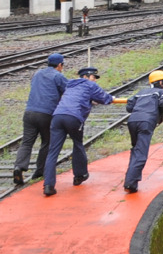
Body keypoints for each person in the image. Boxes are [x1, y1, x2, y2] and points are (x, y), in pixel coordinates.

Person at [43, 66, 114, 197]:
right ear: (86, 77)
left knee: (53, 151)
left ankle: (48, 185)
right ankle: (79, 175)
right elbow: (105, 98)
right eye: (94, 77)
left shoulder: (70, 85)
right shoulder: (89, 85)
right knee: (77, 144)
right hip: (73, 117)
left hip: (57, 116)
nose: (95, 80)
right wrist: (109, 98)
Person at [14, 53, 68, 186]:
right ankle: (40, 171)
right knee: (47, 142)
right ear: (60, 65)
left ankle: (18, 167)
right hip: (46, 114)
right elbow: (67, 91)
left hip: (29, 112)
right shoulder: (58, 76)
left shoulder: (37, 73)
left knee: (27, 142)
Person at [123, 70, 163, 193]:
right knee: (141, 152)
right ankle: (130, 183)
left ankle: (132, 178)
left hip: (132, 121)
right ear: (161, 82)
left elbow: (129, 106)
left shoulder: (141, 92)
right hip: (147, 121)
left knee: (136, 149)